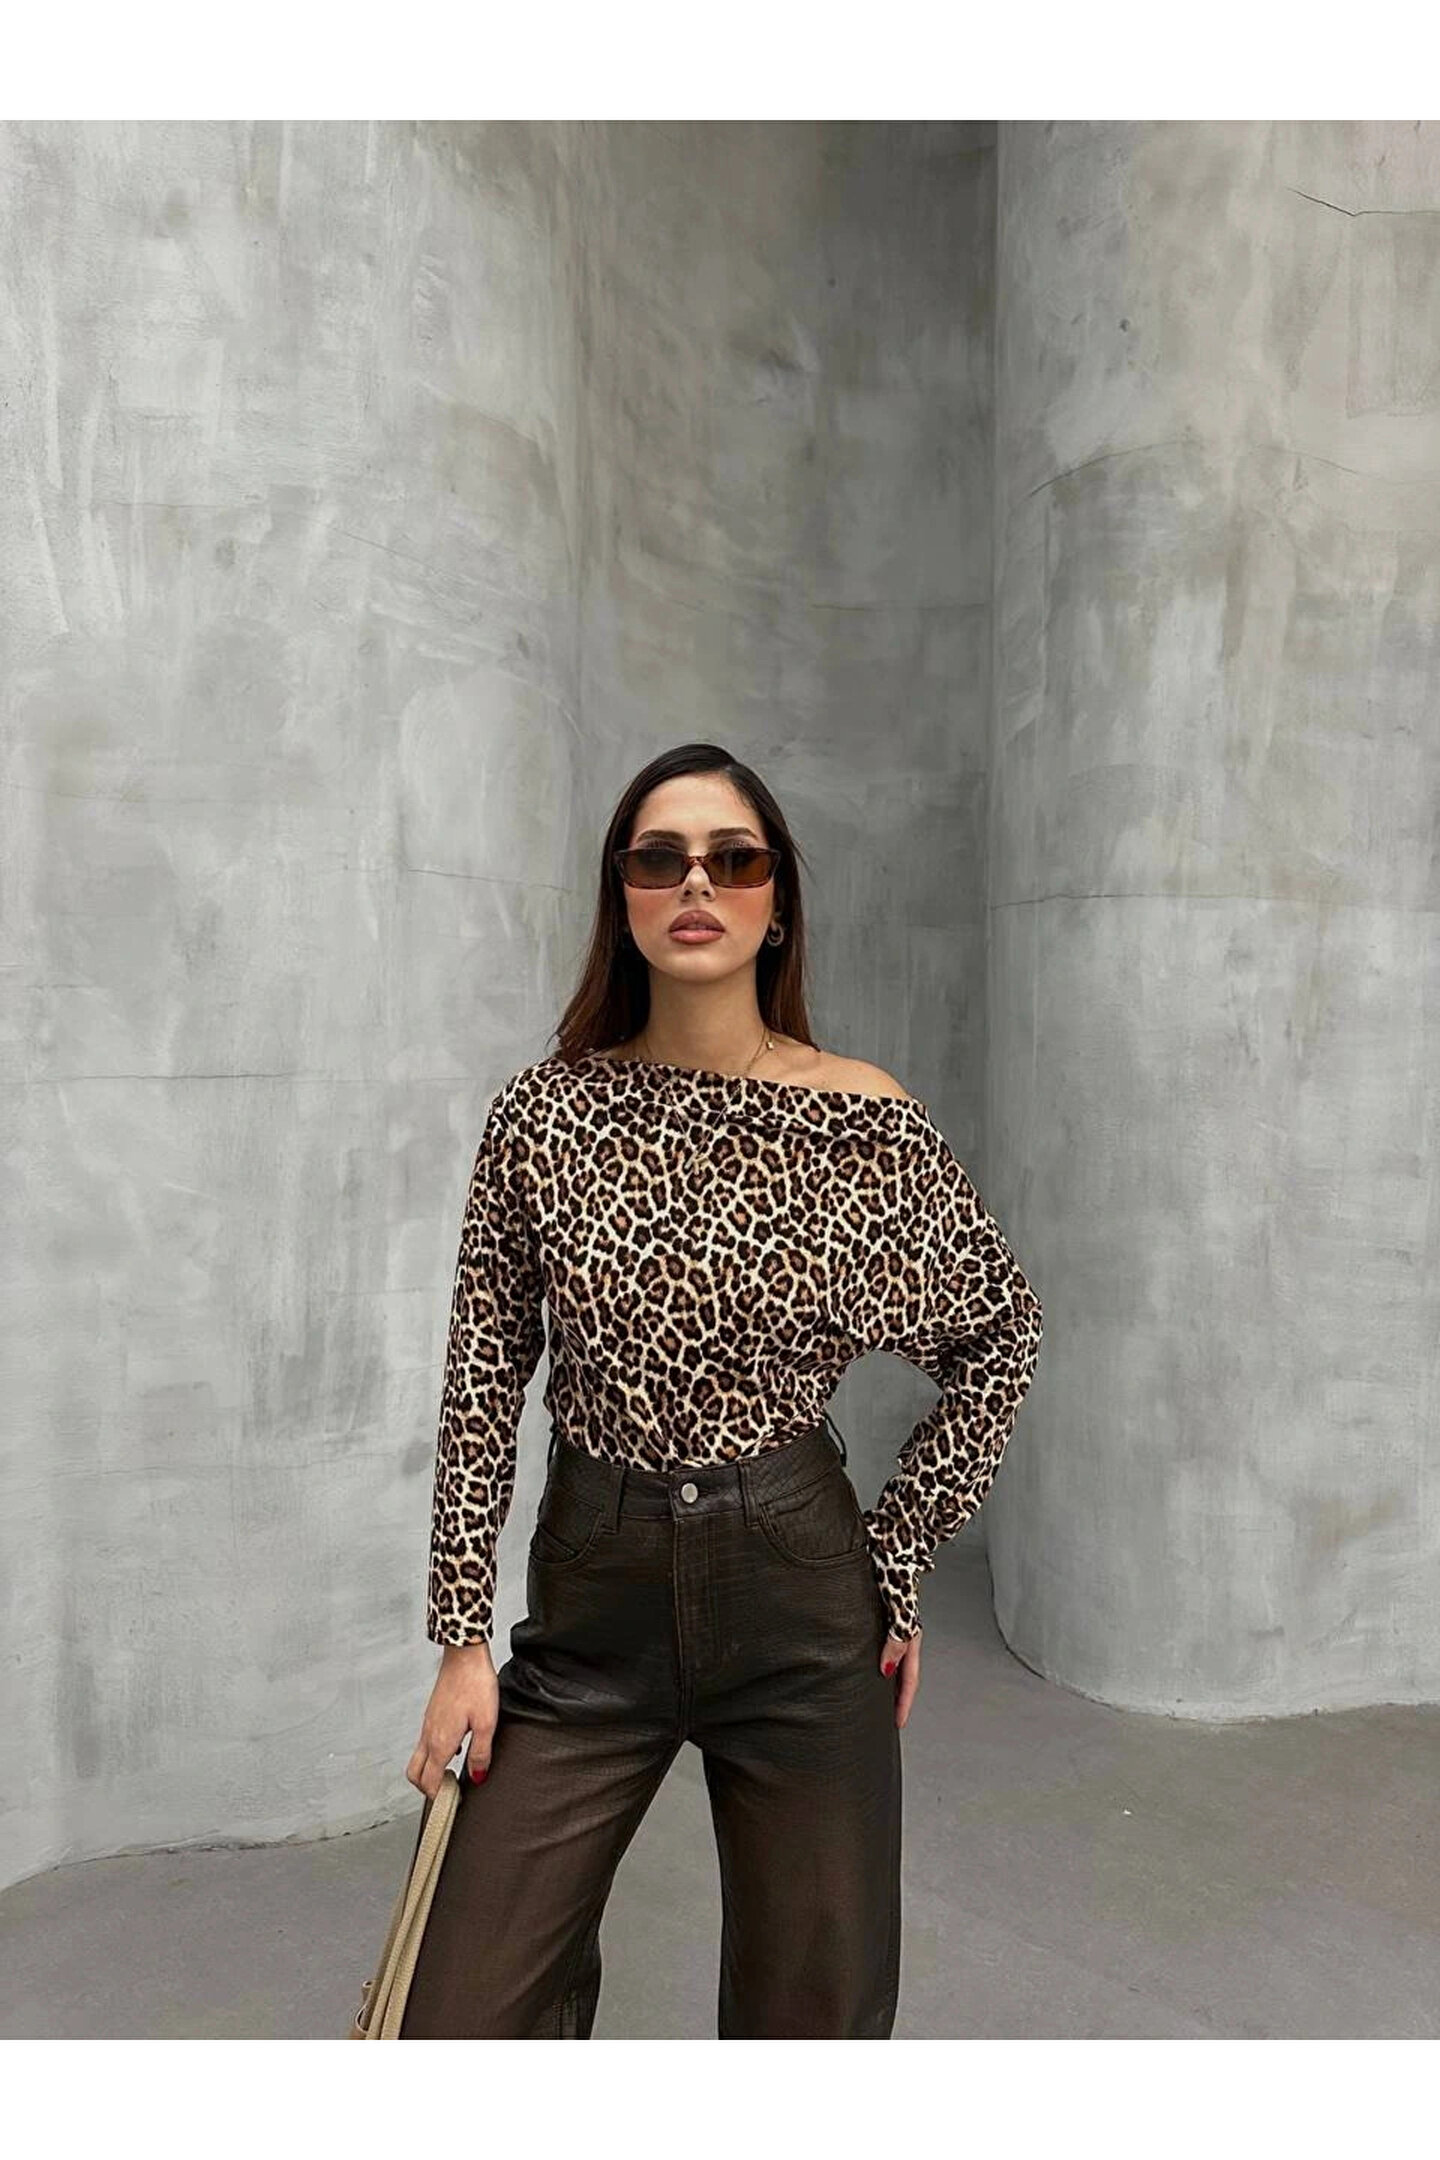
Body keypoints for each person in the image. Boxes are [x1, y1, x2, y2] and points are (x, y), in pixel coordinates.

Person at [397, 741, 1044, 2038]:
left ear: (776, 901)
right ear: (624, 896)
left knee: (812, 2034)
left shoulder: (862, 1122)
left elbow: (999, 1334)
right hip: (595, 1604)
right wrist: (462, 1639)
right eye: (660, 858)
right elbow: (481, 1379)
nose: (697, 882)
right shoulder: (542, 1117)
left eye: (733, 859)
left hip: (799, 1597)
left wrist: (896, 1555)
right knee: (454, 2023)